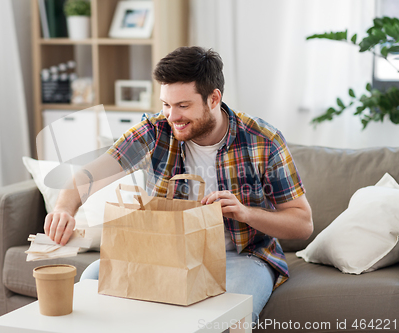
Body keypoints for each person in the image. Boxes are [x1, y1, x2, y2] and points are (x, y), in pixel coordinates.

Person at [44, 46, 313, 324]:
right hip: (163, 254)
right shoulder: (155, 131)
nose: (172, 116)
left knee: (225, 319)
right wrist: (64, 208)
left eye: (183, 106)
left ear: (213, 99)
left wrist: (245, 213)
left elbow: (302, 223)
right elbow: (89, 175)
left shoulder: (263, 141)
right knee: (91, 283)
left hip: (242, 258)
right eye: (166, 104)